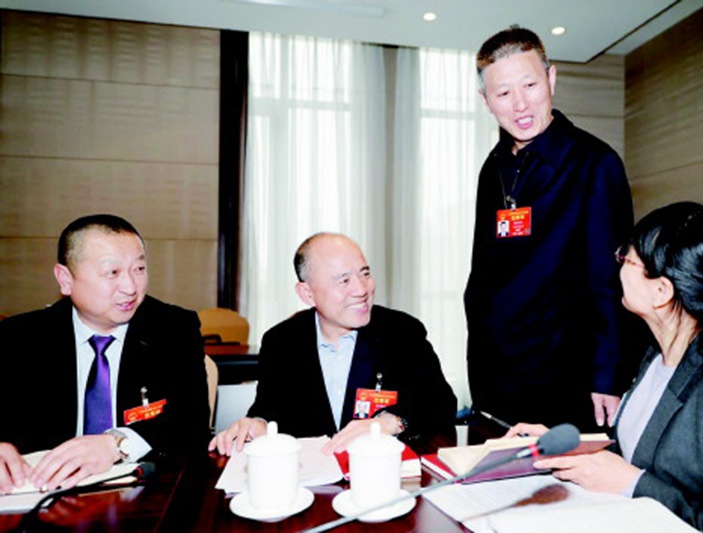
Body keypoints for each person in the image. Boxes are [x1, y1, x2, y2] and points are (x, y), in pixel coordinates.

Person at [507, 202, 703, 532]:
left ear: (661, 291)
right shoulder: (657, 355)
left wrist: (635, 485)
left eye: (626, 257)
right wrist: (576, 451)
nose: (618, 264)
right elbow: (644, 454)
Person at [464, 26, 634, 430]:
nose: (520, 104)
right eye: (503, 93)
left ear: (551, 79)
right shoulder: (493, 168)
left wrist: (608, 374)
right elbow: (483, 273)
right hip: (497, 378)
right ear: (486, 100)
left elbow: (610, 278)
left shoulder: (595, 163)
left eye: (530, 85)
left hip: (566, 380)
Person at [0, 214, 210, 494]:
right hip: (41, 493)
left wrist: (117, 444)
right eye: (112, 272)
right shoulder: (18, 338)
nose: (130, 287)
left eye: (139, 269)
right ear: (65, 279)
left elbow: (191, 424)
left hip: (141, 494)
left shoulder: (173, 329)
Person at [209, 232, 456, 456]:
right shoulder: (282, 342)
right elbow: (269, 408)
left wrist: (391, 422)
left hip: (380, 474)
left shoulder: (401, 332)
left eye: (365, 274)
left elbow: (441, 405)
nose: (361, 290)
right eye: (344, 281)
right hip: (309, 480)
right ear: (307, 294)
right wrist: (258, 423)